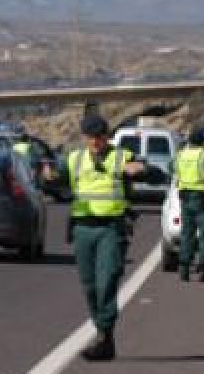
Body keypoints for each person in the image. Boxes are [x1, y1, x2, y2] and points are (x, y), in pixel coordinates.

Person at [45, 115, 146, 361]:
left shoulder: (122, 156)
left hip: (111, 228)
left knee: (107, 280)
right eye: (91, 137)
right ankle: (104, 337)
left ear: (107, 136)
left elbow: (151, 172)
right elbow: (55, 178)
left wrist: (141, 169)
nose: (95, 141)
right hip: (83, 229)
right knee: (90, 286)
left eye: (100, 137)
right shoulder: (74, 158)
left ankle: (104, 335)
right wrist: (47, 176)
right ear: (85, 137)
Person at [174, 128, 204, 283]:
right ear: (202, 141)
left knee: (187, 234)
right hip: (202, 199)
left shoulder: (181, 154)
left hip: (185, 198)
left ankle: (184, 270)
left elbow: (171, 167)